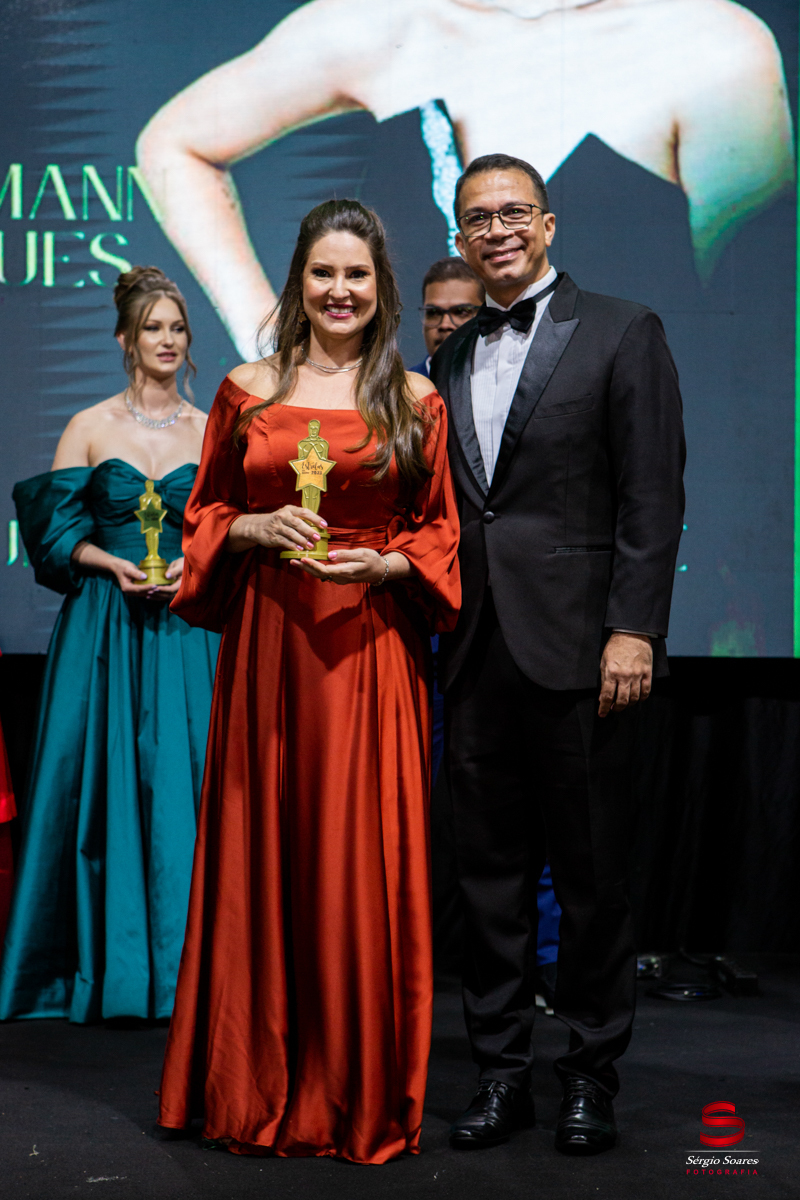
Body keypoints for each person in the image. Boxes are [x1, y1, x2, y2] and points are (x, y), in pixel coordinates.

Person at [157, 199, 460, 1164]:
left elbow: (441, 529)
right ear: (298, 281)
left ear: (381, 288)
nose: (339, 290)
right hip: (270, 650)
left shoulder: (413, 398)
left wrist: (391, 563)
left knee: (359, 861)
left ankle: (353, 1093)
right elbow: (204, 513)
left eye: (356, 274)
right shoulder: (247, 391)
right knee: (264, 854)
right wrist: (249, 528)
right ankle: (251, 1085)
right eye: (323, 273)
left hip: (371, 653)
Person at [430, 154, 685, 1154]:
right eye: (475, 217)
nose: (494, 230)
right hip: (474, 653)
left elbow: (651, 494)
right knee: (487, 884)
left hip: (585, 652)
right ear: (459, 236)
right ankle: (500, 1076)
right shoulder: (448, 358)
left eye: (510, 213)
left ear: (544, 224)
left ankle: (588, 1076)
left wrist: (636, 629)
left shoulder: (623, 330)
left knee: (591, 881)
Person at [136, 0, 793, 358]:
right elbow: (174, 142)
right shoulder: (382, 23)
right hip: (408, 485)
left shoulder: (713, 46)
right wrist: (274, 344)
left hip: (597, 504)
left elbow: (741, 346)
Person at [0, 268, 220, 1024]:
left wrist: (191, 567)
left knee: (187, 787)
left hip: (187, 626)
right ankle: (101, 969)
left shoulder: (210, 428)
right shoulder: (89, 425)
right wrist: (108, 562)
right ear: (125, 338)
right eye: (154, 327)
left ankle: (191, 972)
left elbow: (226, 530)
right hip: (104, 625)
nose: (168, 339)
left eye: (178, 327)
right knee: (95, 785)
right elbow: (52, 536)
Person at [410, 257, 484, 378]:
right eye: (433, 312)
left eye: (461, 312)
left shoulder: (504, 383)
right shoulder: (399, 388)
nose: (444, 325)